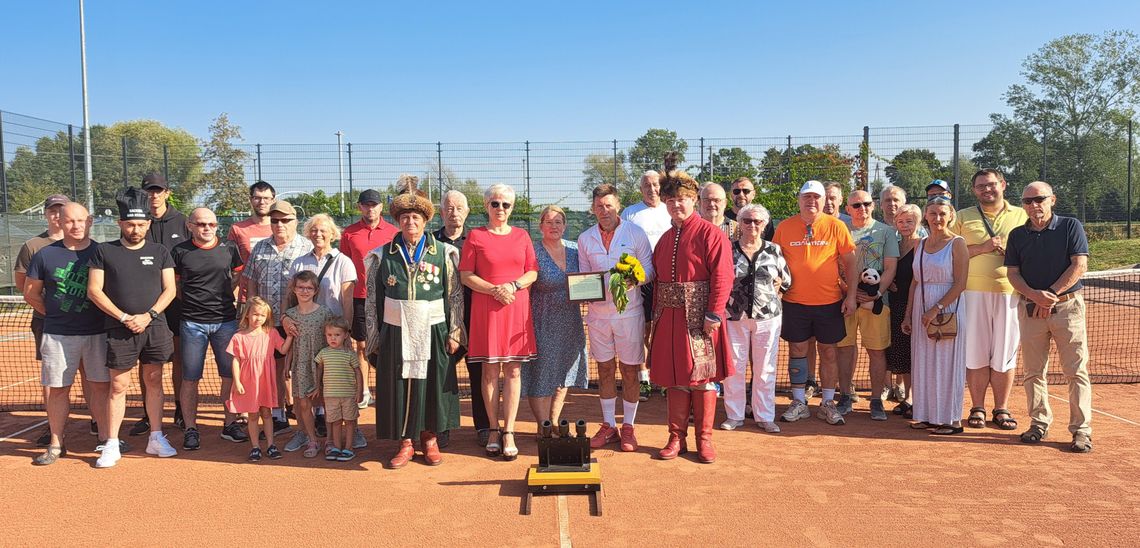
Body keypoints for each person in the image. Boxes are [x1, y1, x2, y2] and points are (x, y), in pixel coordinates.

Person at [366, 180, 464, 468]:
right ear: (398, 221)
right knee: (400, 385)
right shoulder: (382, 255)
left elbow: (455, 294)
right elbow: (373, 298)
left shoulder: (444, 253)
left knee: (432, 382)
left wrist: (455, 330)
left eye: (416, 218)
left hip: (433, 327)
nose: (411, 222)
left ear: (425, 221)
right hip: (396, 329)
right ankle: (405, 442)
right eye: (405, 218)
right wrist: (375, 336)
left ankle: (430, 439)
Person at [87, 187, 178, 468]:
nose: (135, 229)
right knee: (118, 385)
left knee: (154, 381)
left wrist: (148, 315)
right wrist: (125, 317)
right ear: (120, 224)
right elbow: (94, 290)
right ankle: (112, 443)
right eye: (130, 224)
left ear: (148, 224)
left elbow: (170, 290)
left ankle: (156, 437)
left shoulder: (160, 251)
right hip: (120, 329)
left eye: (140, 224)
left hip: (154, 326)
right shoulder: (104, 251)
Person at [649, 168, 733, 464]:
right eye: (670, 201)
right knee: (675, 378)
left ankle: (704, 439)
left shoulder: (711, 234)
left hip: (700, 317)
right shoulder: (665, 237)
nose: (676, 205)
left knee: (702, 377)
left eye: (682, 199)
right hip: (669, 317)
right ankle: (676, 438)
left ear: (694, 200)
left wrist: (714, 313)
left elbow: (723, 276)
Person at [1005, 182, 1093, 453]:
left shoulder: (1070, 226)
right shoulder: (1017, 234)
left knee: (1075, 371)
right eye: (1027, 201)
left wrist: (1050, 294)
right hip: (1031, 310)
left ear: (1052, 199)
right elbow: (1013, 273)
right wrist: (1034, 296)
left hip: (1068, 309)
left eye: (1039, 199)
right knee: (1033, 372)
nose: (1034, 205)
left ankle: (1081, 431)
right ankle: (1039, 422)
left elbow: (1079, 264)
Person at [24, 203, 112, 465]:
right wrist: (54, 314)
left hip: (97, 333)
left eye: (81, 220)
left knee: (100, 387)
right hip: (58, 335)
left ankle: (107, 441)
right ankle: (56, 443)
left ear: (91, 221)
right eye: (70, 221)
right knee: (58, 389)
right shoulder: (45, 255)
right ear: (59, 222)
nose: (76, 226)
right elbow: (31, 293)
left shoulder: (101, 252)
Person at [459, 183, 537, 461]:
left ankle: (510, 432)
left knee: (514, 371)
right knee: (490, 372)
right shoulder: (476, 236)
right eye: (495, 204)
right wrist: (494, 289)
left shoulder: (522, 236)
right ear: (486, 206)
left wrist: (512, 286)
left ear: (512, 207)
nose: (501, 209)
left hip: (516, 309)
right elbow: (466, 274)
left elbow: (532, 272)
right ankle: (493, 429)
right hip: (487, 309)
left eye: (506, 204)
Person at [773, 180, 858, 426]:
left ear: (824, 201)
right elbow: (775, 264)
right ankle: (799, 401)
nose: (811, 202)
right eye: (806, 197)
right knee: (797, 351)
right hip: (794, 302)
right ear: (799, 200)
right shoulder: (785, 227)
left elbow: (851, 263)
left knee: (829, 352)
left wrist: (850, 296)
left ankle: (828, 403)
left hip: (829, 302)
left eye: (816, 197)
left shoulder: (837, 226)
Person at [578, 185, 654, 452]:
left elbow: (650, 270)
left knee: (631, 369)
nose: (604, 210)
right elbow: (585, 276)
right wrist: (585, 293)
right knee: (605, 369)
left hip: (630, 314)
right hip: (598, 317)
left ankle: (629, 427)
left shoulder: (635, 233)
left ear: (618, 206)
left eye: (608, 205)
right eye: (599, 206)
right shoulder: (585, 238)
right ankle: (609, 425)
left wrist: (636, 278)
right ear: (593, 209)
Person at [951, 169, 1027, 431]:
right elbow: (951, 252)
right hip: (971, 294)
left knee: (1005, 355)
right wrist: (983, 248)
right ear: (974, 190)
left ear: (1003, 185)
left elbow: (1031, 252)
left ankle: (1001, 408)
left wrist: (1014, 253)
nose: (987, 190)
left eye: (992, 184)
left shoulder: (1022, 214)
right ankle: (977, 407)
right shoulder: (962, 217)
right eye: (981, 186)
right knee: (976, 353)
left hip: (1010, 294)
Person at [171, 208, 245, 450]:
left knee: (229, 375)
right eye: (201, 224)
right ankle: (191, 429)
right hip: (192, 323)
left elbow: (236, 277)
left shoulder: (229, 249)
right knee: (190, 378)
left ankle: (229, 425)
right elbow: (175, 285)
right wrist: (195, 301)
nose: (207, 228)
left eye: (212, 224)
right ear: (190, 226)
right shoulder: (180, 251)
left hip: (226, 320)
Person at [286, 213, 359, 445]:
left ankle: (342, 435)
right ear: (308, 233)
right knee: (302, 384)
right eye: (314, 230)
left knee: (335, 386)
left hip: (332, 335)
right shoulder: (299, 262)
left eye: (323, 230)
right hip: (304, 332)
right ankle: (303, 433)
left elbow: (347, 301)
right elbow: (290, 297)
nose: (318, 234)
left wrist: (345, 333)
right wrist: (285, 318)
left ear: (333, 234)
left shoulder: (343, 261)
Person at [15, 194, 81, 447]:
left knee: (89, 374)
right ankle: (53, 428)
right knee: (52, 376)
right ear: (46, 214)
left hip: (84, 322)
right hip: (48, 322)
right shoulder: (33, 246)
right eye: (53, 211)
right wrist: (50, 311)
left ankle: (97, 424)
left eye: (61, 210)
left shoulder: (86, 244)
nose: (57, 215)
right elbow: (25, 287)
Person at [243, 199, 313, 434]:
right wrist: (252, 310)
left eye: (285, 220)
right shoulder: (260, 247)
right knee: (272, 367)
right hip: (268, 320)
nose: (280, 224)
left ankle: (315, 416)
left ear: (295, 221)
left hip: (298, 318)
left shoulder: (306, 247)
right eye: (275, 220)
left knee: (302, 365)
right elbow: (251, 280)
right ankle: (278, 414)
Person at [721, 204, 791, 433]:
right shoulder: (727, 249)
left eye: (757, 221)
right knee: (735, 367)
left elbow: (786, 280)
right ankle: (734, 415)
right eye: (747, 220)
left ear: (765, 225)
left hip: (767, 318)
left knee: (765, 368)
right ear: (739, 223)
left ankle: (765, 415)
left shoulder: (774, 250)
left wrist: (775, 290)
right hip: (733, 317)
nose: (752, 225)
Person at [903, 197, 968, 435]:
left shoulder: (957, 243)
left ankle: (950, 420)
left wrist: (936, 308)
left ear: (951, 215)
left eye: (942, 213)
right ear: (926, 216)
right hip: (922, 309)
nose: (937, 218)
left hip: (947, 309)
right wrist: (909, 314)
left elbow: (960, 283)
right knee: (924, 362)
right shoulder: (919, 244)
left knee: (946, 364)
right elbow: (914, 281)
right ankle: (927, 416)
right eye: (933, 214)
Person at [835, 190, 899, 420]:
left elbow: (891, 267)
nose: (862, 208)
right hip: (845, 302)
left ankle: (875, 401)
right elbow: (834, 266)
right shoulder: (839, 229)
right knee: (844, 349)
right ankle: (844, 396)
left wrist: (877, 294)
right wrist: (849, 292)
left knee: (876, 351)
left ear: (873, 206)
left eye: (867, 204)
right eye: (857, 205)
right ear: (848, 209)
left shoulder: (886, 231)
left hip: (877, 303)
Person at [136, 173, 191, 435]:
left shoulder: (183, 222)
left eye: (158, 190)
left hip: (177, 303)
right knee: (146, 360)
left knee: (179, 357)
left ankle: (181, 409)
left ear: (167, 192)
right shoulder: (137, 222)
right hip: (144, 302)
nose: (153, 195)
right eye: (149, 191)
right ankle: (148, 414)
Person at [525, 205, 588, 430]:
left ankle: (553, 423)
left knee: (564, 373)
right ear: (541, 226)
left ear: (565, 226)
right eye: (549, 222)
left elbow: (588, 278)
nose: (554, 226)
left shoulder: (575, 249)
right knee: (542, 374)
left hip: (571, 320)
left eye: (558, 222)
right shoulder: (532, 251)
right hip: (541, 320)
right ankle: (543, 427)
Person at [340, 188, 399, 413]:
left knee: (387, 344)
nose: (370, 208)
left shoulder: (393, 232)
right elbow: (344, 265)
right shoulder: (349, 233)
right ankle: (364, 390)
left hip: (387, 296)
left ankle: (388, 389)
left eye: (374, 204)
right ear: (360, 207)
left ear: (381, 207)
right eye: (366, 205)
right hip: (359, 297)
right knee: (362, 345)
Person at [432, 190, 484, 447]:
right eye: (449, 208)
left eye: (459, 208)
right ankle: (442, 426)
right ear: (441, 212)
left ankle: (485, 427)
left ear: (467, 211)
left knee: (479, 372)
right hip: (441, 319)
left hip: (475, 317)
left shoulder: (477, 240)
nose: (454, 212)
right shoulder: (429, 242)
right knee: (443, 374)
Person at [620, 170, 671, 399]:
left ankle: (664, 377)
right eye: (647, 185)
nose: (652, 189)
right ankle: (643, 379)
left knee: (665, 328)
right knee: (643, 328)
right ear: (640, 189)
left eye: (656, 184)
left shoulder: (671, 208)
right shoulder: (630, 214)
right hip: (641, 281)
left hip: (668, 280)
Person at [226, 297, 290, 462]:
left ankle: (270, 445)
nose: (258, 318)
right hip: (248, 382)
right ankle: (255, 447)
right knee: (253, 415)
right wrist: (237, 381)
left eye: (262, 315)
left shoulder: (271, 333)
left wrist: (290, 336)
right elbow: (235, 360)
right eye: (255, 314)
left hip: (265, 380)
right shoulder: (239, 337)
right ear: (247, 314)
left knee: (267, 413)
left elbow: (282, 349)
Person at [879, 185, 924, 403]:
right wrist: (889, 284)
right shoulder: (895, 244)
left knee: (916, 351)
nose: (905, 225)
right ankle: (907, 397)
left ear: (918, 223)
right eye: (901, 222)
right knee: (902, 352)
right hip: (896, 303)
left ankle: (914, 398)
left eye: (910, 222)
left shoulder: (922, 245)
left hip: (915, 304)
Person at [281, 271, 332, 457]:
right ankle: (312, 439)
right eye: (301, 287)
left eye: (309, 288)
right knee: (303, 404)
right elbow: (292, 342)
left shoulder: (325, 312)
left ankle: (330, 441)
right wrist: (287, 364)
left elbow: (332, 340)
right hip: (301, 365)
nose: (304, 291)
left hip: (322, 364)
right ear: (294, 289)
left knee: (327, 403)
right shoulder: (290, 315)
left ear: (315, 290)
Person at [313, 318, 364, 462]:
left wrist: (359, 392)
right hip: (330, 395)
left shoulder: (350, 354)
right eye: (329, 335)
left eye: (337, 335)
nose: (333, 338)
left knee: (349, 422)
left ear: (345, 335)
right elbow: (319, 370)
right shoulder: (323, 353)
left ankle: (349, 448)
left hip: (348, 395)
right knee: (335, 422)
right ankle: (336, 447)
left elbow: (358, 372)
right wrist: (317, 386)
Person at [228, 181, 276, 274]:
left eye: (266, 198)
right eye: (257, 198)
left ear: (273, 200)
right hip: (246, 287)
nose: (262, 202)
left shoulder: (280, 227)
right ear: (250, 200)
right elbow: (230, 264)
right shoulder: (237, 229)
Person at [726, 177, 775, 241]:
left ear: (753, 194)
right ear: (731, 195)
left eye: (746, 191)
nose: (741, 194)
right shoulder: (723, 217)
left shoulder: (763, 217)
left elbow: (770, 242)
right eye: (736, 191)